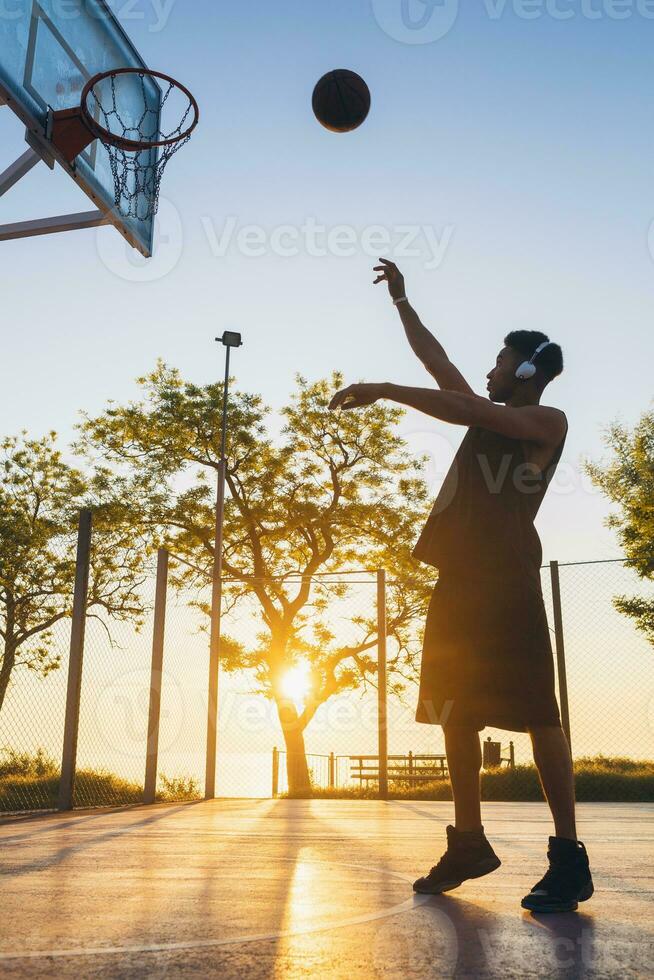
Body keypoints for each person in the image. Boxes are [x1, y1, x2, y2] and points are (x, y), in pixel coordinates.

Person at [329, 259, 594, 914]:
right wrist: (402, 303)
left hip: (506, 581)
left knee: (537, 713)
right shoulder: (484, 413)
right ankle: (469, 842)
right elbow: (441, 369)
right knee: (455, 709)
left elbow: (454, 400)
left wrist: (382, 388)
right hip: (460, 581)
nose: (488, 369)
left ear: (526, 370)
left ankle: (570, 857)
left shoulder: (546, 422)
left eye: (500, 361)